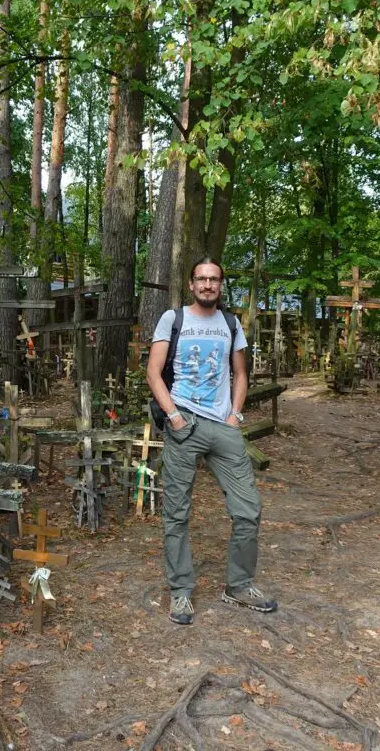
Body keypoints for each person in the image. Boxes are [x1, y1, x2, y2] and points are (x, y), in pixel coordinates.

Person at [147, 258, 278, 625]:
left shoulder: (231, 323)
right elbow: (153, 373)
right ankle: (181, 592)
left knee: (248, 508)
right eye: (201, 279)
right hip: (183, 423)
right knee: (177, 512)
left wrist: (235, 414)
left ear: (221, 285)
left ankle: (238, 585)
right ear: (191, 284)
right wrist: (173, 415)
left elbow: (240, 373)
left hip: (223, 428)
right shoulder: (173, 320)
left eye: (214, 279)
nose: (207, 284)